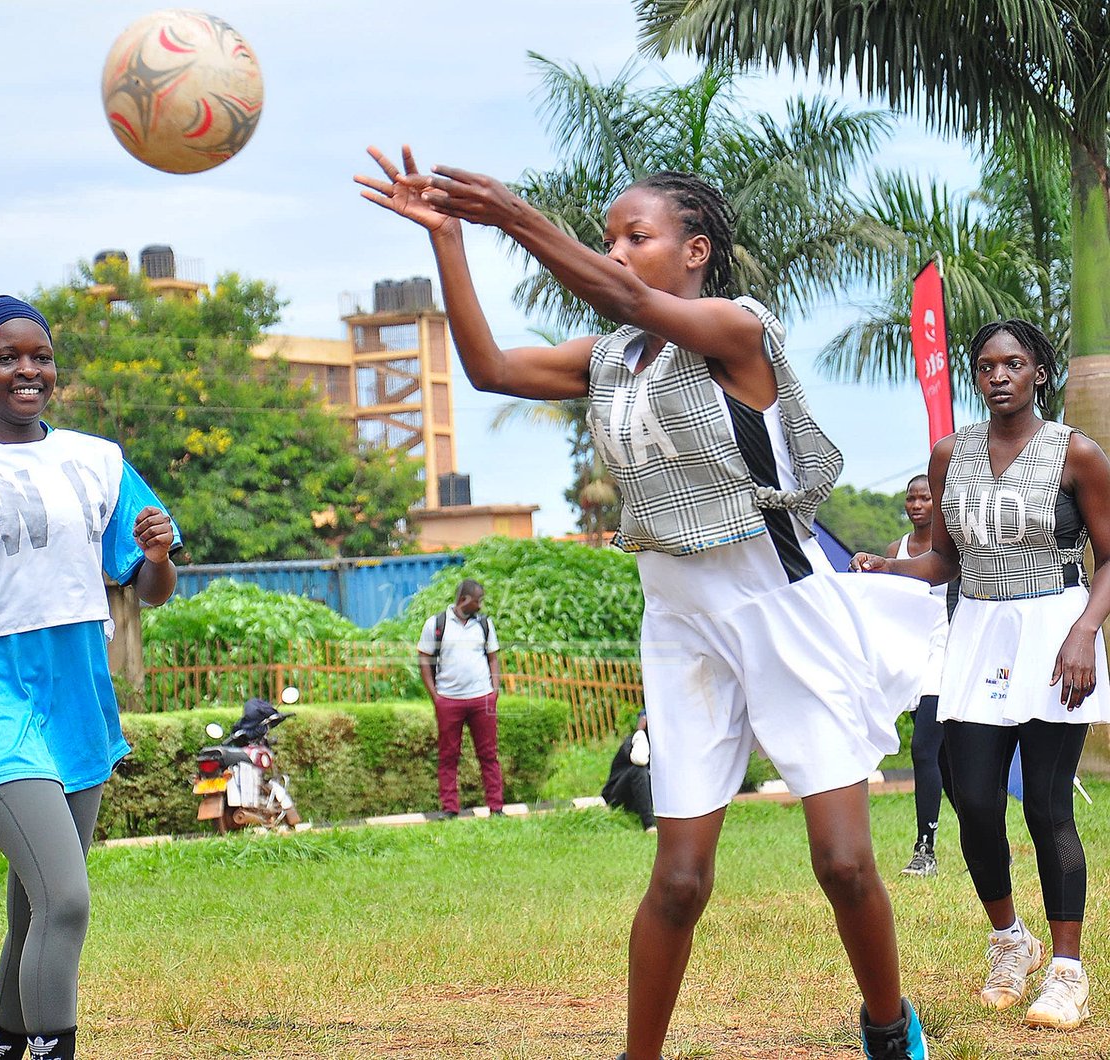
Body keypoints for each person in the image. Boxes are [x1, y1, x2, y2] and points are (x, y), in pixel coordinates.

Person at [358, 145, 941, 1060]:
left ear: (696, 250)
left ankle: (885, 1027)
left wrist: (511, 212)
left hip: (780, 609)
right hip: (678, 622)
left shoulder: (738, 332)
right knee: (677, 879)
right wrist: (450, 243)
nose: (619, 251)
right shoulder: (613, 359)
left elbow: (628, 298)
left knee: (842, 861)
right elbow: (487, 371)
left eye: (637, 235)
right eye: (609, 239)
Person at [0, 295, 181, 1060]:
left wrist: (158, 556)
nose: (28, 369)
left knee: (36, 906)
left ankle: (3, 1044)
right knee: (66, 898)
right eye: (6, 356)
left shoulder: (98, 460)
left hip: (76, 692)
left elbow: (148, 588)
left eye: (41, 355)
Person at [852, 319, 1110, 1030]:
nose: (999, 376)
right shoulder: (949, 455)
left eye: (1014, 364)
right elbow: (946, 563)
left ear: (1039, 373)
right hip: (977, 635)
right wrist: (889, 567)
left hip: (1056, 632)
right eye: (987, 366)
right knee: (973, 799)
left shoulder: (1076, 454)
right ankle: (1010, 942)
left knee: (1047, 805)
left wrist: (1086, 631)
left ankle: (1066, 973)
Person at [884, 474, 955, 877]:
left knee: (925, 749)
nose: (917, 505)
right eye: (911, 498)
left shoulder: (951, 548)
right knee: (944, 761)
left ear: (937, 503)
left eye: (925, 498)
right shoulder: (898, 550)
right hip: (914, 658)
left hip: (947, 656)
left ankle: (924, 850)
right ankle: (987, 841)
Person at [416, 579, 504, 817]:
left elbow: (493, 657)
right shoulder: (436, 624)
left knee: (488, 755)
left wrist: (494, 691)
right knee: (448, 756)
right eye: (478, 600)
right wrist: (435, 696)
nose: (481, 604)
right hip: (449, 700)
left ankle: (496, 807)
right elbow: (424, 658)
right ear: (465, 599)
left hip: (481, 699)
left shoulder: (484, 624)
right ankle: (450, 809)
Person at [602, 709, 657, 832]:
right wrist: (640, 731)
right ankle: (649, 825)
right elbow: (640, 759)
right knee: (639, 770)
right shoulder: (634, 741)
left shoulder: (660, 746)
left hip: (638, 800)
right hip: (617, 797)